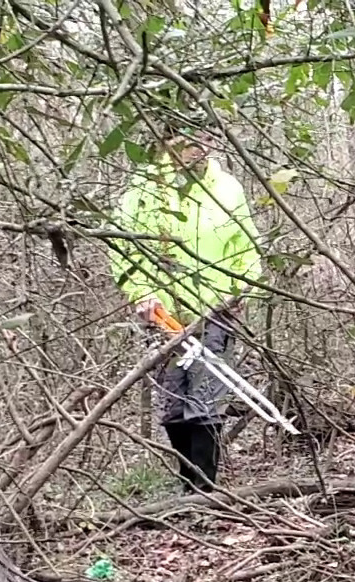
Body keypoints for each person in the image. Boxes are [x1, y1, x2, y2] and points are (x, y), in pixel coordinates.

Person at [108, 123, 262, 492]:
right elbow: (121, 249)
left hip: (216, 313)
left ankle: (205, 490)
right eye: (190, 139)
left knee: (206, 400)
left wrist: (241, 290)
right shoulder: (142, 191)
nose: (200, 146)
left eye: (207, 137)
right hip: (162, 318)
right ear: (167, 140)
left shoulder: (227, 188)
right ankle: (187, 485)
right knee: (174, 404)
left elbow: (248, 247)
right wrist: (141, 292)